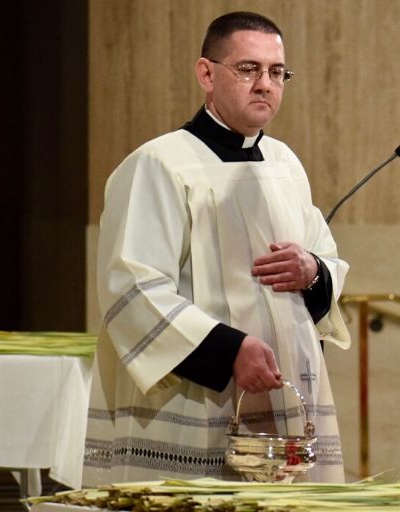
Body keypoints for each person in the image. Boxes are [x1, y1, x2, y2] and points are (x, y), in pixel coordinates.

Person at [82, 11, 351, 486]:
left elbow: (323, 255)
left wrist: (312, 270)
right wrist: (228, 350)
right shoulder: (160, 164)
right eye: (248, 69)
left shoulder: (285, 164)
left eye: (276, 72)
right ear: (206, 73)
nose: (265, 84)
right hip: (194, 398)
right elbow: (133, 287)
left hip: (284, 399)